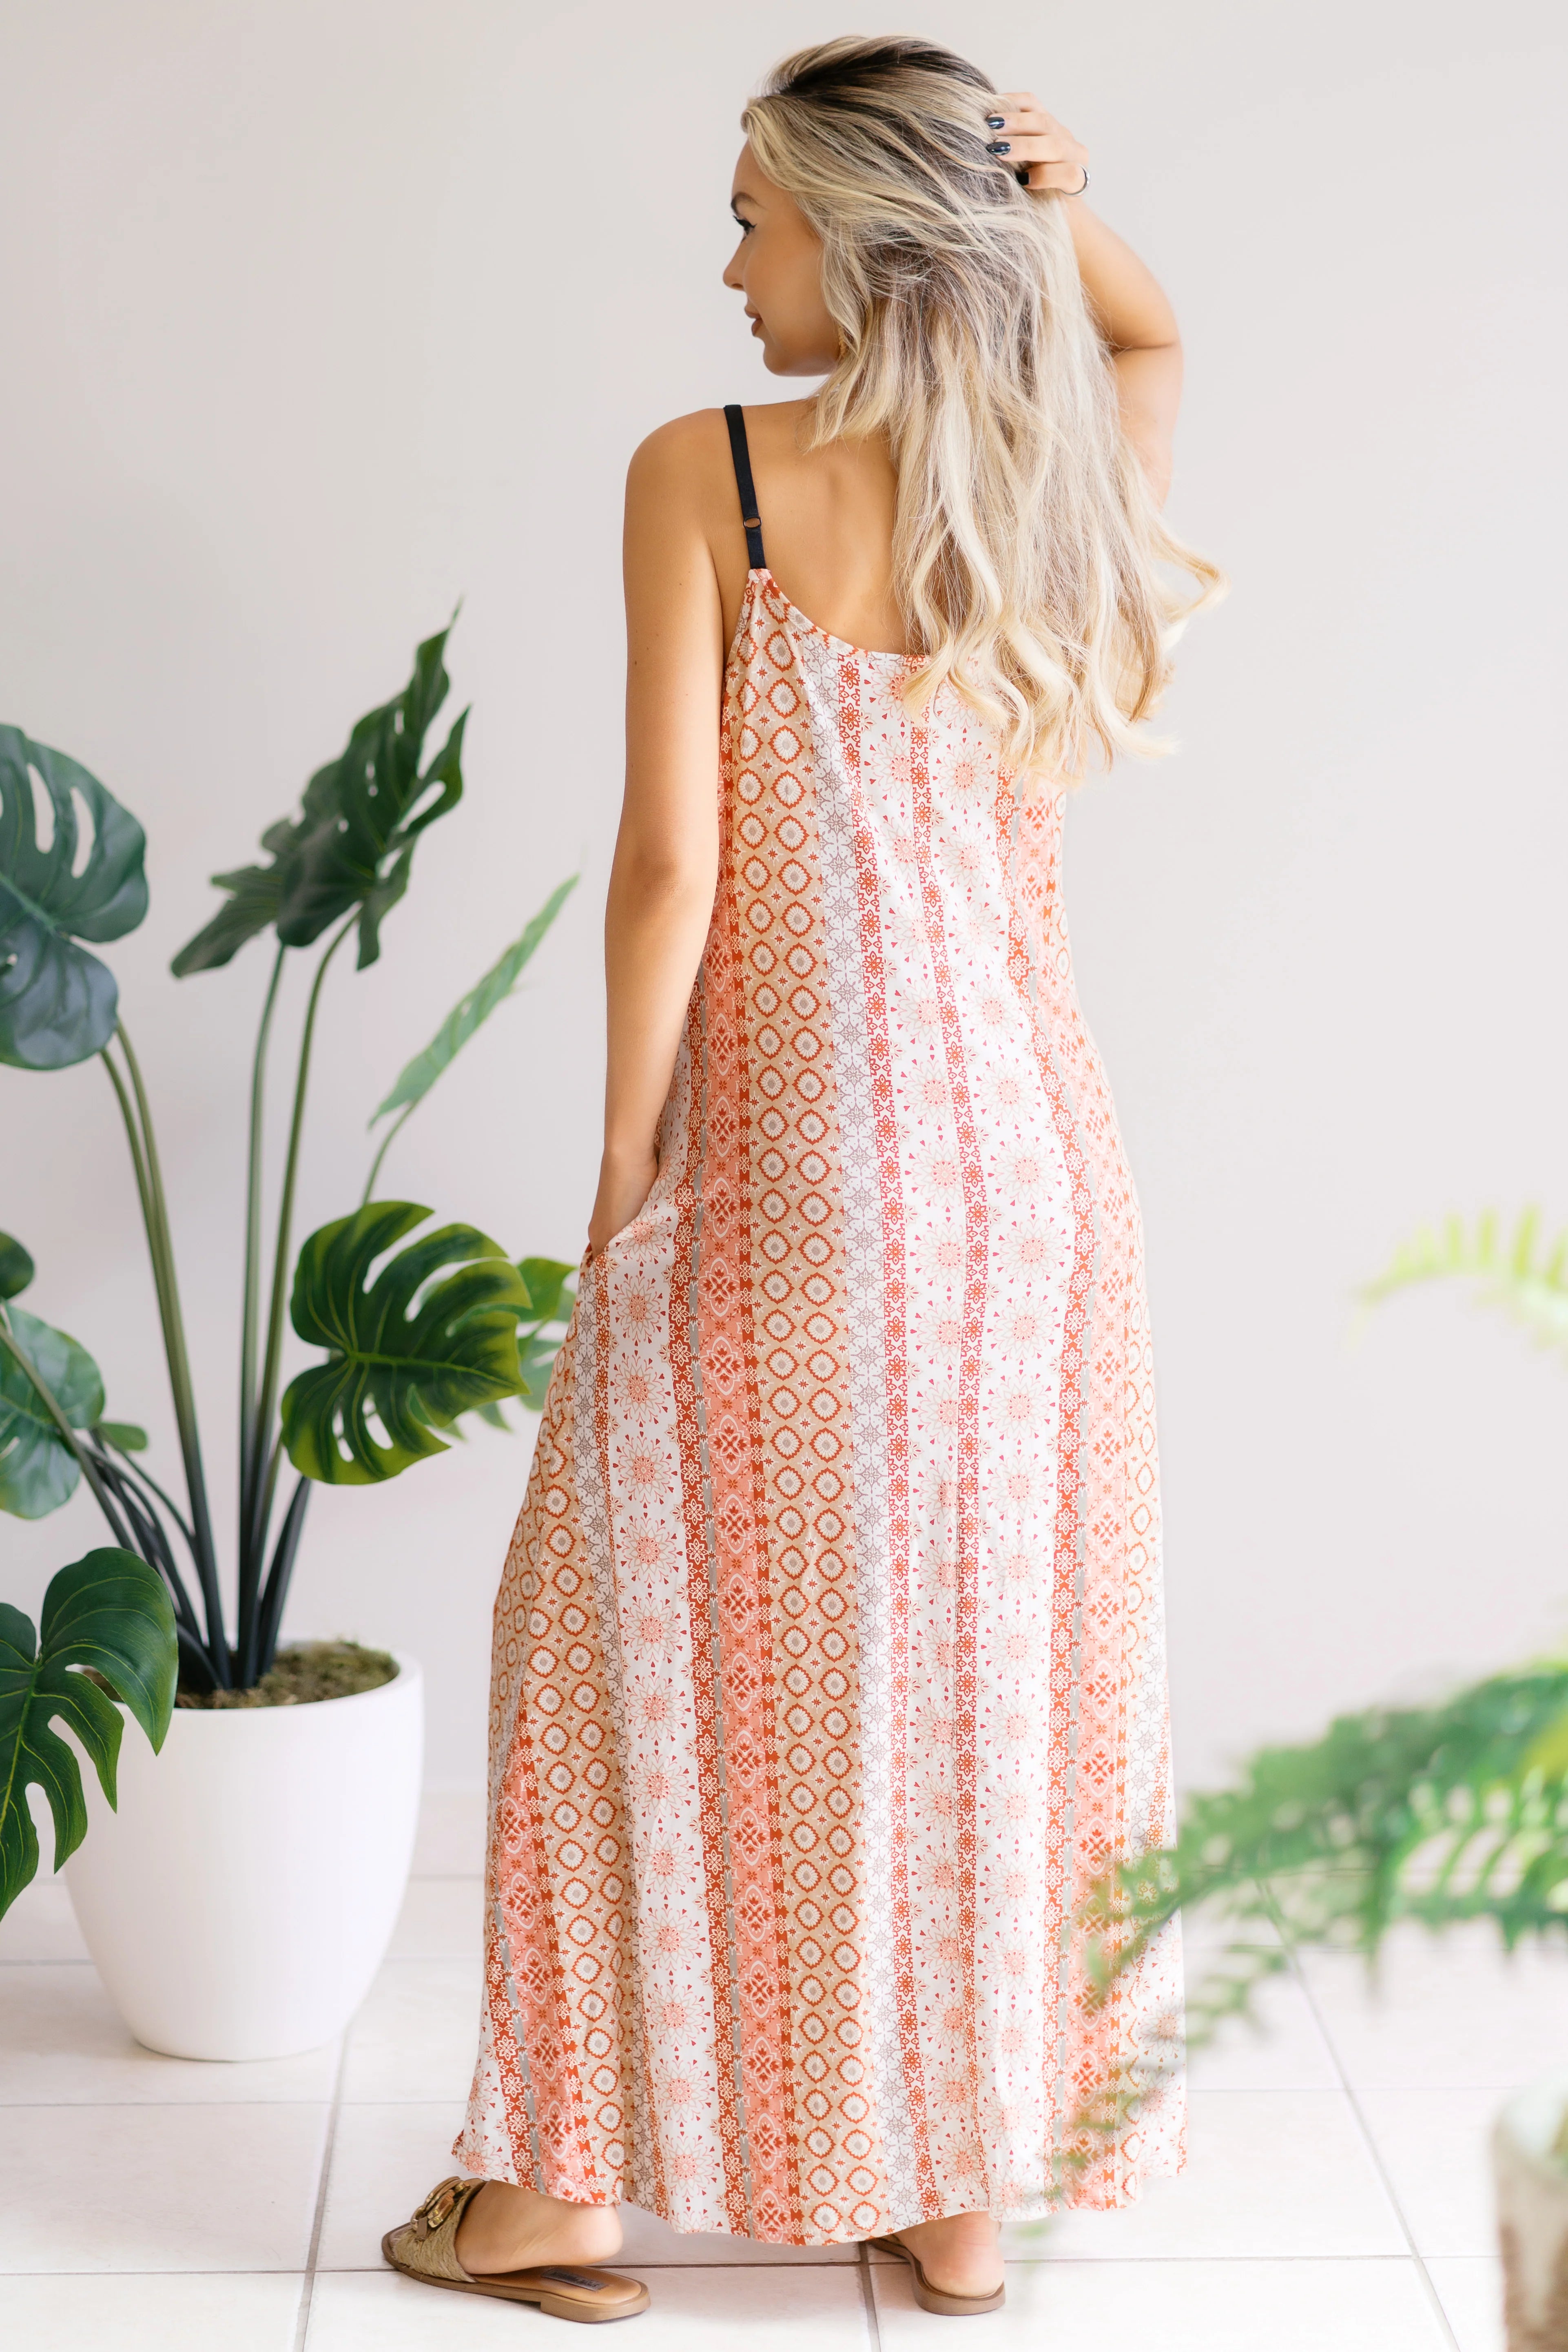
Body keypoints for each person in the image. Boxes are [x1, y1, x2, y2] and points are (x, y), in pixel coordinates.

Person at [382, 33, 1224, 2325]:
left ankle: (557, 2189)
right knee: (970, 1669)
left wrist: (624, 1143)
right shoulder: (1046, 475)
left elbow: (669, 865)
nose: (728, 255)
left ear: (855, 242)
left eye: (754, 211)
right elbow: (1144, 330)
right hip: (1039, 1178)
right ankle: (950, 2201)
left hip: (807, 1157)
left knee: (599, 1628)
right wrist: (1056, 209)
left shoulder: (708, 476)